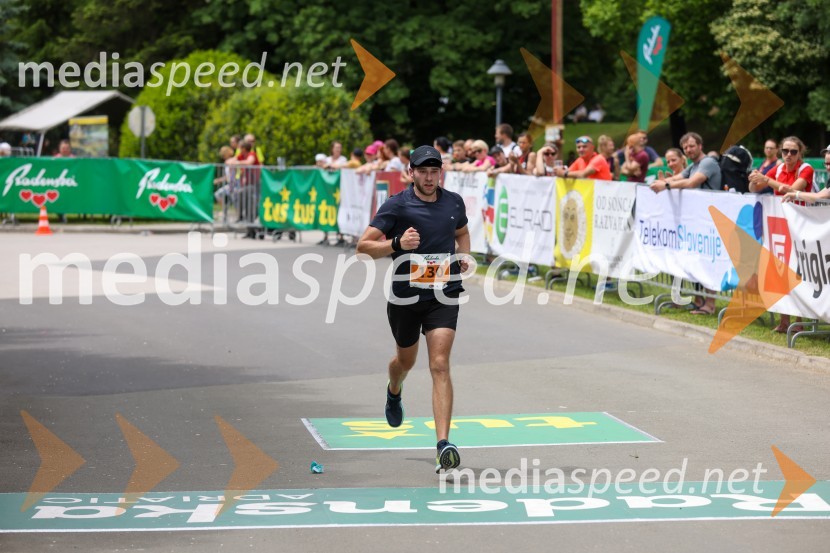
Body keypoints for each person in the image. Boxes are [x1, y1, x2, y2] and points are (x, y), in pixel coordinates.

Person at [356, 145, 471, 473]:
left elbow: (461, 232)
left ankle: (443, 446)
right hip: (406, 298)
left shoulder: (453, 202)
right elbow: (362, 248)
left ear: (441, 173)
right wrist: (395, 244)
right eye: (423, 171)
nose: (430, 177)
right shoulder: (397, 205)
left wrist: (464, 255)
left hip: (444, 294)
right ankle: (394, 390)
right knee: (405, 361)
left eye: (435, 171)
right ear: (411, 173)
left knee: (439, 364)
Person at [650, 132, 722, 316]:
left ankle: (710, 304)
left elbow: (690, 183)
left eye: (691, 146)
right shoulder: (694, 165)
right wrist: (662, 181)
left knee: (708, 260)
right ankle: (699, 300)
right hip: (698, 220)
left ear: (700, 145)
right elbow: (678, 177)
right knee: (697, 260)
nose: (689, 150)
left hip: (710, 220)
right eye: (685, 148)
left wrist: (664, 186)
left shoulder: (707, 163)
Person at [748, 136, 814, 196]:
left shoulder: (806, 168)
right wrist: (753, 180)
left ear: (799, 154)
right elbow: (754, 189)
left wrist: (765, 179)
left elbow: (791, 191)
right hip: (780, 208)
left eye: (793, 152)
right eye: (785, 151)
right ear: (781, 152)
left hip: (799, 209)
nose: (788, 154)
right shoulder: (778, 169)